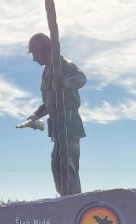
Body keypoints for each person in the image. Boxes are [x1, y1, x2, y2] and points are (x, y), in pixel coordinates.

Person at [18, 32, 86, 197]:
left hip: (69, 125)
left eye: (34, 53)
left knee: (66, 165)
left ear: (43, 50)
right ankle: (66, 200)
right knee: (57, 165)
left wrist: (65, 82)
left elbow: (81, 78)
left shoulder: (63, 65)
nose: (34, 59)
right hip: (57, 128)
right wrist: (34, 116)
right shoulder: (47, 73)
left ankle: (73, 202)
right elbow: (49, 104)